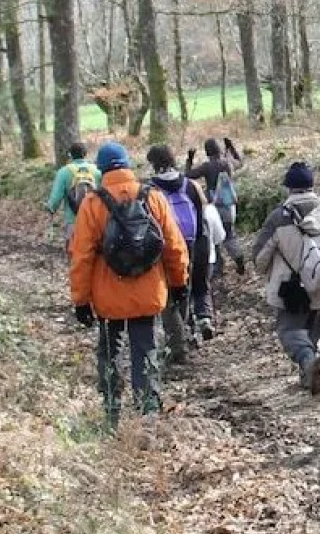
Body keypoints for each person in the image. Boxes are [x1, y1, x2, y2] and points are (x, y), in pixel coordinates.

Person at [69, 142, 190, 424]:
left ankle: (112, 411)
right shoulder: (153, 197)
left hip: (107, 294)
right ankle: (147, 410)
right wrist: (178, 281)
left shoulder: (92, 203)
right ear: (127, 165)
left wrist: (81, 299)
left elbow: (82, 256)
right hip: (148, 291)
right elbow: (173, 245)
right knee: (145, 347)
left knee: (110, 351)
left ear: (100, 169)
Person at [251, 162, 320, 393]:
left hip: (290, 287)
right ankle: (309, 375)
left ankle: (309, 363)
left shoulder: (279, 217)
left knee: (289, 331)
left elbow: (260, 257)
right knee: (313, 330)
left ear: (288, 188)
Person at [146, 145, 221, 364]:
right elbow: (203, 214)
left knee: (173, 294)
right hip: (195, 242)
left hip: (167, 247)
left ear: (153, 163)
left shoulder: (151, 189)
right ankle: (201, 322)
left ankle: (180, 339)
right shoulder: (191, 185)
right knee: (196, 286)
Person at [187, 136, 245, 273]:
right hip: (230, 204)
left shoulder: (207, 166)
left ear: (207, 152)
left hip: (215, 205)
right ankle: (238, 256)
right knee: (230, 234)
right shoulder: (227, 163)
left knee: (214, 236)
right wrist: (231, 148)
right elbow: (240, 162)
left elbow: (188, 175)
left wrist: (189, 159)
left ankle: (219, 267)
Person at [45, 142, 98, 245]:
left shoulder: (64, 172)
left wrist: (50, 208)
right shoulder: (96, 170)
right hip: (94, 220)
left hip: (73, 220)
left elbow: (56, 198)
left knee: (73, 251)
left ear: (70, 155)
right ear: (85, 154)